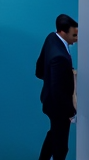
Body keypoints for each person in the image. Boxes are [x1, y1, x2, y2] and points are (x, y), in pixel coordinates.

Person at [35, 14, 78, 160]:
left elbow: (39, 70)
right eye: (74, 35)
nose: (77, 38)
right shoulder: (60, 58)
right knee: (61, 147)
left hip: (49, 101)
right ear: (63, 32)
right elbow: (58, 93)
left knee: (53, 134)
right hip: (58, 110)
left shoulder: (51, 38)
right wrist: (71, 113)